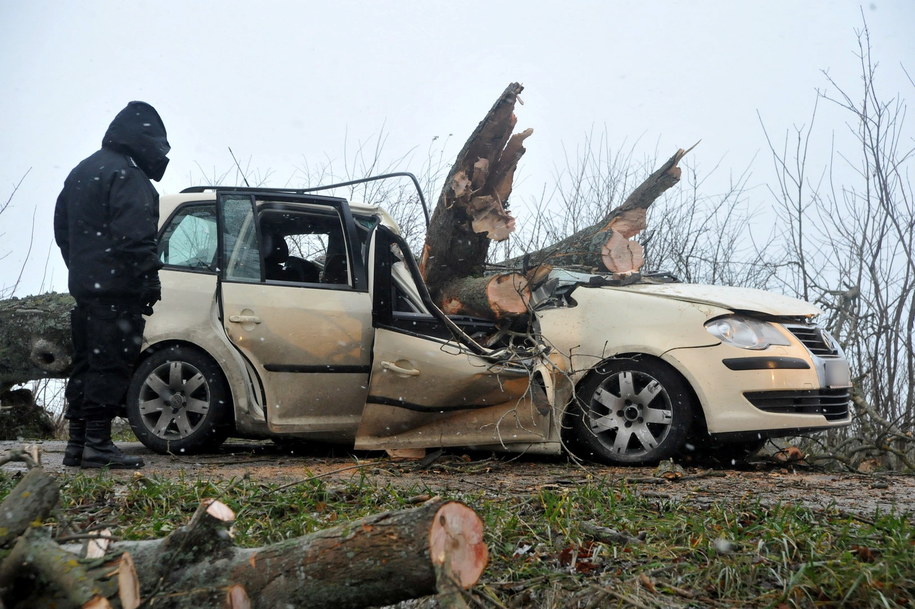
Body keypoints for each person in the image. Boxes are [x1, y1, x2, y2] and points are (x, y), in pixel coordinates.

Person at [54, 101, 170, 468]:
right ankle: (98, 445)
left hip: (87, 290)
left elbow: (62, 230)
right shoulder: (127, 175)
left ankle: (77, 444)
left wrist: (84, 269)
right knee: (111, 364)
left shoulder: (82, 170)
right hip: (118, 291)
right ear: (144, 140)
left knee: (86, 364)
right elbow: (135, 236)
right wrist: (147, 277)